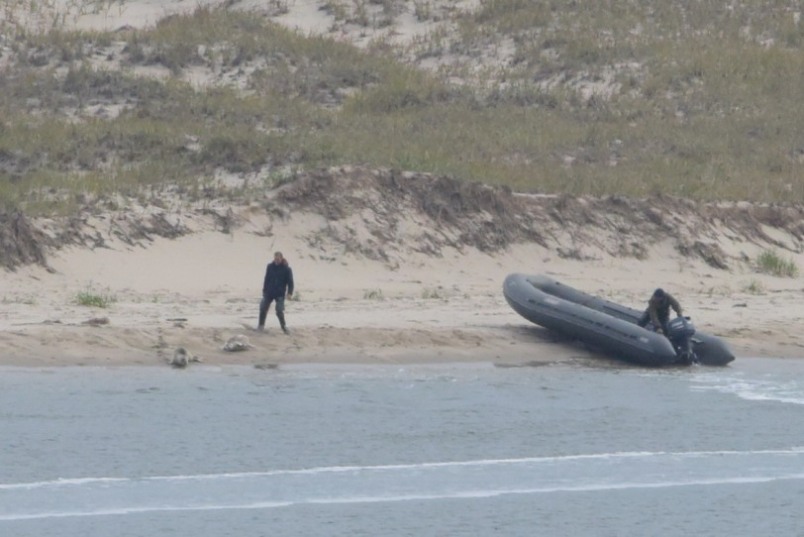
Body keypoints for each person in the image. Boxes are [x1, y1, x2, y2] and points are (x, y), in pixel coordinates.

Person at [258, 251, 294, 333]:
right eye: (275, 259)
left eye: (278, 259)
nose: (276, 261)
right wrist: (264, 290)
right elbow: (266, 278)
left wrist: (290, 293)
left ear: (281, 258)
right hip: (269, 292)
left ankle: (284, 327)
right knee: (263, 308)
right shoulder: (270, 266)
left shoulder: (287, 269)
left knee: (279, 311)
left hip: (280, 293)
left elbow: (290, 282)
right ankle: (261, 326)